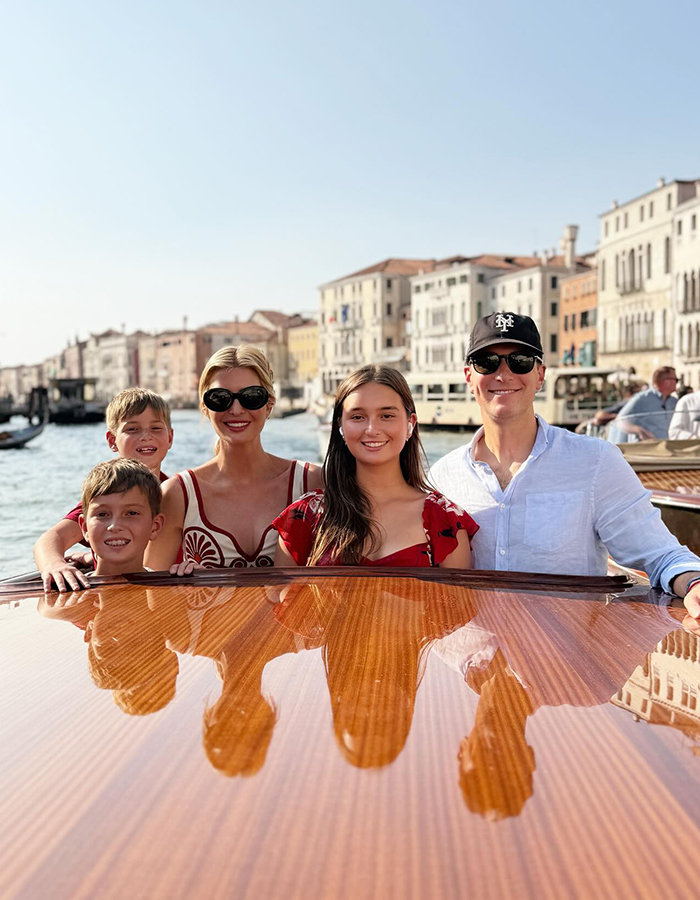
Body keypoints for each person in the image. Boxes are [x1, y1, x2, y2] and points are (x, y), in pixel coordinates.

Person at [429, 311, 700, 621]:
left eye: (519, 361)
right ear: (469, 377)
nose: (503, 374)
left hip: (565, 663)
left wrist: (693, 583)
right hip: (476, 664)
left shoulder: (596, 462)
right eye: (487, 363)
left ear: (540, 375)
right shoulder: (442, 476)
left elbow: (660, 553)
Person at [273, 365, 477, 567]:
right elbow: (283, 598)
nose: (372, 429)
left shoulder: (444, 520)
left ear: (410, 424)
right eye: (357, 417)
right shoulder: (303, 517)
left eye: (386, 416)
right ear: (340, 427)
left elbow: (457, 600)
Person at [145, 345, 322, 571]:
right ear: (205, 408)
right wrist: (183, 587)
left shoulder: (312, 483)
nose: (236, 409)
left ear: (269, 405)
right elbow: (150, 596)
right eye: (220, 398)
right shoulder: (178, 495)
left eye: (251, 397)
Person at [34, 388, 174, 592]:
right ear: (112, 440)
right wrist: (54, 564)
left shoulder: (178, 491)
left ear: (170, 437)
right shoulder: (107, 494)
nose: (145, 436)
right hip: (113, 591)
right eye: (132, 429)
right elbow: (50, 539)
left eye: (155, 428)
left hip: (158, 593)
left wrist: (90, 556)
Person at [78, 458, 165, 577]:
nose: (114, 526)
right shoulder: (66, 592)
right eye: (102, 514)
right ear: (85, 528)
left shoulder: (177, 589)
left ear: (155, 526)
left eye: (131, 513)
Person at [611, 366, 678, 442]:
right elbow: (620, 420)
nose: (677, 383)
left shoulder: (674, 402)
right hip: (647, 449)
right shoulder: (641, 399)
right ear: (667, 381)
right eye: (676, 380)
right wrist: (638, 430)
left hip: (669, 448)